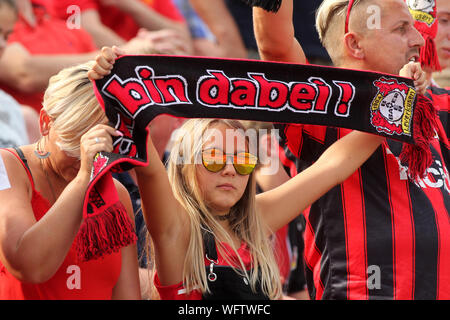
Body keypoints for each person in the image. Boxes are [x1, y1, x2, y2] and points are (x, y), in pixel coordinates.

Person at [88, 43, 435, 299]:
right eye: (213, 159)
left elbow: (335, 164)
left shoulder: (257, 218)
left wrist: (397, 100)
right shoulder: (175, 230)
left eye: (242, 162)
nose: (229, 170)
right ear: (184, 167)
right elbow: (146, 166)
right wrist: (112, 80)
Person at [254, 0, 449, 299]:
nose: (419, 39)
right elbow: (275, 46)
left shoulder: (435, 108)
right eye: (401, 29)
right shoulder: (325, 109)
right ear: (355, 44)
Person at [0, 61, 141, 299]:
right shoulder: (5, 165)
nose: (84, 156)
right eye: (74, 145)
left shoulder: (117, 194)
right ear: (45, 122)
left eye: (100, 146)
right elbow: (29, 266)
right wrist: (85, 177)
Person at [46, 0, 191, 51]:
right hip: (102, 77)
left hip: (147, 73)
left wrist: (131, 5)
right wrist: (140, 55)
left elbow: (184, 42)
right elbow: (90, 31)